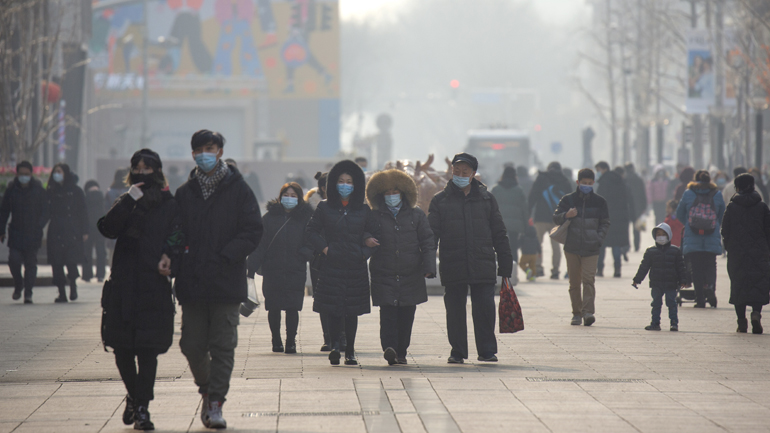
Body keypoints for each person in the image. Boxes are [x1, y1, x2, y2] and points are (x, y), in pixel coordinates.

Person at [167, 129, 263, 429]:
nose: (204, 154)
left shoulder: (239, 189)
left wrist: (225, 256)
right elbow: (174, 231)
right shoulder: (185, 193)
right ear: (193, 154)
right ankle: (207, 390)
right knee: (191, 345)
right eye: (198, 150)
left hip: (226, 281)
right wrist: (175, 257)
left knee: (223, 346)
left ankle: (216, 403)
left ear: (220, 151)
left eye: (209, 148)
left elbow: (252, 231)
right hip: (192, 282)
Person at [98, 149, 181, 431]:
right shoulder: (127, 200)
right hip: (123, 284)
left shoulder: (169, 203)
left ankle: (143, 407)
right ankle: (134, 396)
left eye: (148, 168)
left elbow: (179, 234)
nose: (142, 172)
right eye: (138, 167)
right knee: (122, 350)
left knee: (147, 351)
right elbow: (108, 228)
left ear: (157, 171)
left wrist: (170, 255)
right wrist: (128, 199)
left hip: (152, 284)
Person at [428, 153, 513, 363]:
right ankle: (457, 351)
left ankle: (487, 351)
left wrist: (505, 265)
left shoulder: (486, 199)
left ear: (473, 174)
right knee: (455, 311)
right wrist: (428, 263)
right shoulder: (440, 200)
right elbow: (431, 235)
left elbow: (499, 233)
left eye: (464, 172)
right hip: (453, 262)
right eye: (456, 171)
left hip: (482, 262)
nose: (460, 175)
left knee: (484, 309)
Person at [306, 160, 379, 366]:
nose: (345, 185)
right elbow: (311, 232)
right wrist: (326, 249)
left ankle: (351, 351)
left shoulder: (363, 210)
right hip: (332, 265)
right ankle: (335, 345)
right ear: (334, 184)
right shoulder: (324, 207)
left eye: (349, 181)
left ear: (356, 185)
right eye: (341, 181)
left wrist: (363, 252)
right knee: (334, 308)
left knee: (351, 311)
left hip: (355, 266)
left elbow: (377, 235)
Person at [366, 169, 436, 365]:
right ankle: (389, 348)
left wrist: (429, 266)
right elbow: (362, 233)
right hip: (384, 273)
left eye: (394, 191)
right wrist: (366, 240)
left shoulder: (416, 215)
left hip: (410, 274)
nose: (391, 196)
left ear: (404, 193)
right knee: (387, 314)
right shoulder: (375, 216)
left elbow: (427, 241)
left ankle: (402, 351)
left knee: (406, 316)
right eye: (387, 193)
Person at [248, 183, 313, 354]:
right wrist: (250, 268)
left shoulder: (306, 218)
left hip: (295, 268)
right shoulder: (269, 218)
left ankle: (291, 341)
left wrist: (304, 253)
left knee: (293, 307)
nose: (289, 198)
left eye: (293, 195)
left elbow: (313, 240)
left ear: (299, 198)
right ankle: (276, 340)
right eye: (286, 194)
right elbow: (260, 245)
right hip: (272, 269)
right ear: (280, 196)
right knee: (273, 307)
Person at [553, 168, 610, 326]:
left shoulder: (600, 202)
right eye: (583, 183)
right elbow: (556, 218)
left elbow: (605, 222)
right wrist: (566, 215)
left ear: (593, 183)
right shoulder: (568, 200)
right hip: (572, 247)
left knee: (589, 280)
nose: (586, 186)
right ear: (577, 183)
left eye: (589, 183)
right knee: (574, 282)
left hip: (592, 248)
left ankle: (588, 312)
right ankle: (576, 313)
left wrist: (598, 239)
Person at [721, 174, 770, 334]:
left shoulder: (732, 207)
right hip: (760, 253)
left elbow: (725, 231)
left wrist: (730, 247)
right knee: (758, 283)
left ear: (737, 188)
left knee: (738, 285)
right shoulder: (762, 207)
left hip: (737, 254)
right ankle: (756, 313)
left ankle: (741, 321)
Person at [0, 161, 49, 303]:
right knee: (13, 260)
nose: (24, 177)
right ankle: (18, 284)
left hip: (33, 232)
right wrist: (1, 230)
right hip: (16, 231)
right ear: (17, 174)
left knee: (30, 263)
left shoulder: (38, 190)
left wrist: (39, 225)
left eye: (26, 174)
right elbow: (4, 211)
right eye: (21, 174)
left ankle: (28, 292)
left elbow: (46, 211)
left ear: (31, 174)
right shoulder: (11, 190)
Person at [676, 169, 725, 308]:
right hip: (711, 235)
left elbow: (679, 213)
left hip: (693, 236)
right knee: (711, 265)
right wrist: (715, 224)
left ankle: (700, 299)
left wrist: (689, 222)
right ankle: (710, 288)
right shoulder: (717, 194)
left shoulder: (688, 193)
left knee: (696, 268)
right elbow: (722, 214)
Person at [632, 223, 690, 332]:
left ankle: (674, 323)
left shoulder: (675, 251)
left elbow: (681, 267)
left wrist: (683, 280)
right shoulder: (651, 251)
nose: (661, 236)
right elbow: (644, 267)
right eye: (658, 234)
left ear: (669, 235)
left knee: (671, 303)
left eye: (663, 234)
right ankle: (655, 323)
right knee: (656, 303)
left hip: (671, 283)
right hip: (656, 283)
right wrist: (637, 279)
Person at [47, 163, 88, 303]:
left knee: (71, 262)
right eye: (55, 171)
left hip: (72, 231)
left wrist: (84, 230)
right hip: (55, 231)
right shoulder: (51, 191)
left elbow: (83, 212)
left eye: (59, 171)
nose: (56, 174)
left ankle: (73, 286)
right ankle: (61, 293)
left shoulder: (76, 191)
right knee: (56, 263)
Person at [304, 171, 333, 351]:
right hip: (318, 259)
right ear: (323, 188)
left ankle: (342, 336)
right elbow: (306, 233)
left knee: (342, 298)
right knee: (322, 298)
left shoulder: (348, 206)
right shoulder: (310, 208)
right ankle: (328, 337)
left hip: (340, 257)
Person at [528, 161, 572, 279]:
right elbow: (570, 201)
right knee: (556, 246)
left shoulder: (541, 178)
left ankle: (538, 268)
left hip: (540, 218)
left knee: (538, 244)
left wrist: (528, 213)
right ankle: (555, 271)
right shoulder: (564, 180)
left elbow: (533, 196)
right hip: (557, 219)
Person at [595, 163, 632, 278]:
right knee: (616, 245)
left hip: (605, 218)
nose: (597, 172)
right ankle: (617, 269)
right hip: (620, 219)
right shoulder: (622, 182)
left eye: (598, 170)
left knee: (602, 245)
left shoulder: (603, 183)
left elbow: (599, 201)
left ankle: (600, 269)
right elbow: (629, 201)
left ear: (604, 169)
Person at [491, 166, 528, 264]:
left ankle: (501, 270)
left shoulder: (496, 189)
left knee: (499, 247)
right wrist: (526, 226)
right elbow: (524, 209)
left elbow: (489, 207)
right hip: (515, 225)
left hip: (499, 223)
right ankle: (513, 270)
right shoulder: (519, 190)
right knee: (513, 247)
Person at [82, 180, 107, 282]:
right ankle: (100, 275)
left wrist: (84, 230)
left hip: (88, 229)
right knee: (101, 252)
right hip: (101, 228)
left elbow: (82, 215)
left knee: (87, 252)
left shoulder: (85, 198)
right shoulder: (102, 197)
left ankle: (87, 275)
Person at [625, 163, 648, 252]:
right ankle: (636, 245)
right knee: (637, 227)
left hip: (626, 206)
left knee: (625, 227)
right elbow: (643, 194)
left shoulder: (624, 180)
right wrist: (644, 206)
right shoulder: (638, 179)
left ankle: (626, 245)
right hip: (637, 206)